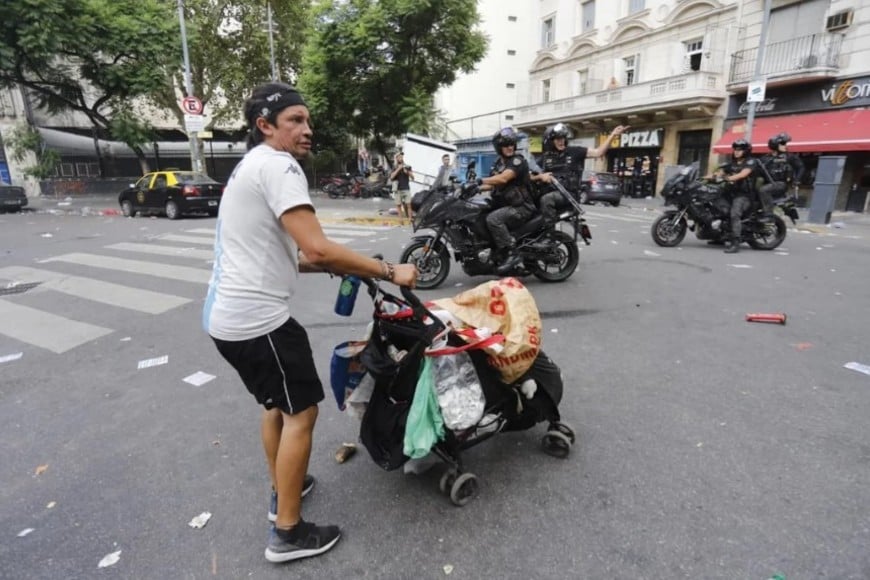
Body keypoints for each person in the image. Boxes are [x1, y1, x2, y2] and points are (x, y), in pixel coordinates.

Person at [202, 82, 417, 564]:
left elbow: (292, 255)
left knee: (277, 405)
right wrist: (388, 270)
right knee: (302, 412)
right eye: (294, 120)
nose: (307, 129)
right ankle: (288, 532)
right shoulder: (278, 165)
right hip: (259, 322)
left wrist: (339, 265)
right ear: (265, 125)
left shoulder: (249, 167)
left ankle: (287, 486)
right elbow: (316, 246)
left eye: (307, 119)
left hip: (227, 319)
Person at [533, 122, 629, 223]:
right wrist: (540, 176)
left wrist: (612, 135)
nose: (561, 141)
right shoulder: (545, 158)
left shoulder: (575, 151)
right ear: (551, 141)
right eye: (557, 139)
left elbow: (598, 152)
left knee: (546, 200)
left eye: (562, 138)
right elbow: (530, 173)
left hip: (568, 194)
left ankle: (550, 229)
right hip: (551, 191)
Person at [478, 127, 537, 274]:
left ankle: (512, 254)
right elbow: (491, 183)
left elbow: (503, 178)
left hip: (522, 207)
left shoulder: (517, 161)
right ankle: (496, 252)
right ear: (499, 147)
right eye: (506, 145)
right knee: (479, 214)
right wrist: (471, 188)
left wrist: (480, 181)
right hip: (507, 205)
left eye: (512, 144)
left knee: (493, 219)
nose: (510, 147)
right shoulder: (498, 163)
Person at [709, 139, 761, 254]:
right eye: (735, 149)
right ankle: (718, 235)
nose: (737, 152)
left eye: (740, 149)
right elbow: (720, 172)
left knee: (734, 214)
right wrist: (708, 177)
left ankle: (735, 242)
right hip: (730, 192)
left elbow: (743, 174)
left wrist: (726, 178)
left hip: (744, 195)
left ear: (746, 151)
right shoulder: (732, 163)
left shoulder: (751, 162)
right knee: (713, 204)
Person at [758, 132, 804, 216]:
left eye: (785, 143)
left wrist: (797, 181)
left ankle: (768, 214)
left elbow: (801, 167)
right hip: (768, 183)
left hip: (781, 184)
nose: (785, 145)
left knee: (763, 190)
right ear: (775, 145)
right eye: (782, 144)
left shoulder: (789, 156)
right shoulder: (765, 158)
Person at [390, 152, 414, 224]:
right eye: (399, 157)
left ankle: (409, 220)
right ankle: (401, 221)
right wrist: (398, 169)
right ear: (396, 158)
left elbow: (413, 177)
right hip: (397, 189)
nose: (401, 158)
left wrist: (408, 173)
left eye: (401, 156)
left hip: (406, 188)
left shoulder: (407, 166)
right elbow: (391, 177)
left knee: (409, 205)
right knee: (398, 206)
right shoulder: (394, 167)